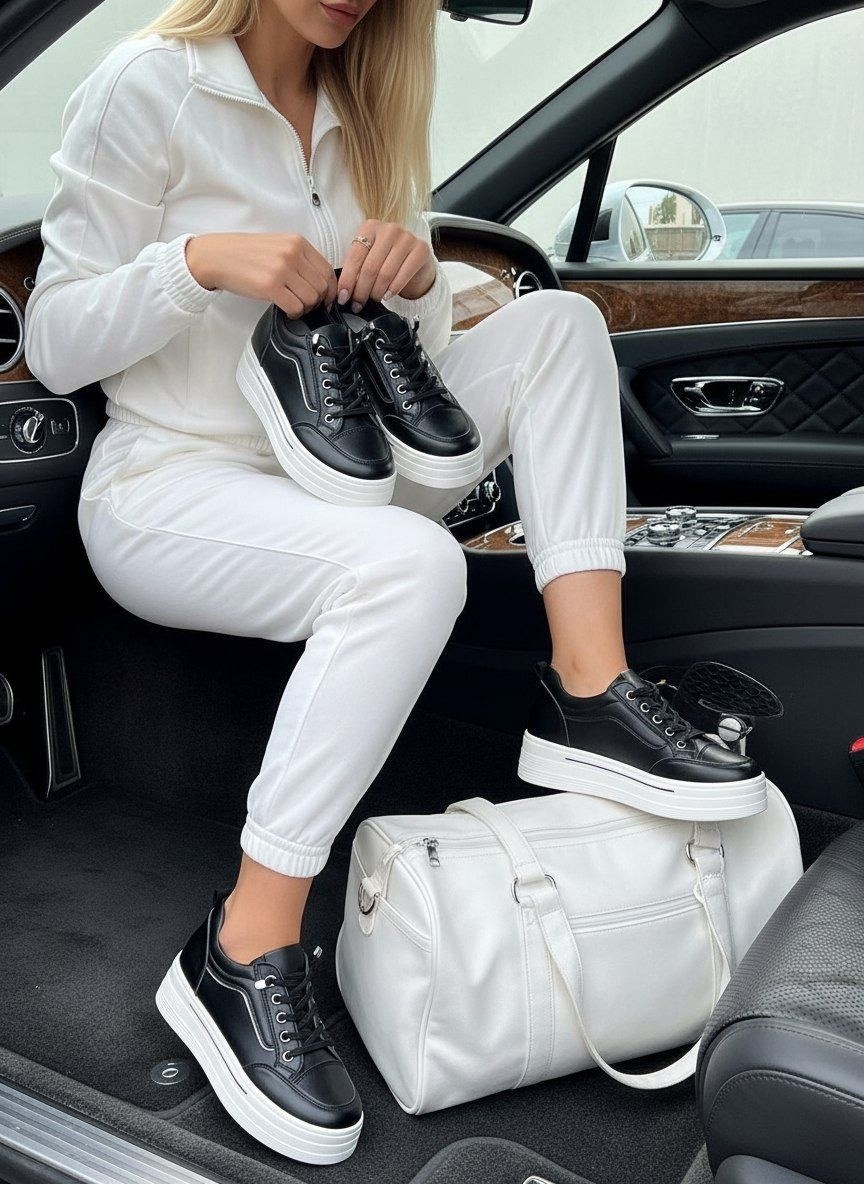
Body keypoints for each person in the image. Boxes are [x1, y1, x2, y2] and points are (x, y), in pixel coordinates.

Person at [23, 0, 766, 1164]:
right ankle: (243, 944)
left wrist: (415, 279)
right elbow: (57, 339)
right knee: (413, 569)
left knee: (563, 326)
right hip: (172, 477)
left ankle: (591, 686)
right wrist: (199, 262)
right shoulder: (149, 86)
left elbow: (403, 346)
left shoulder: (364, 102)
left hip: (341, 456)